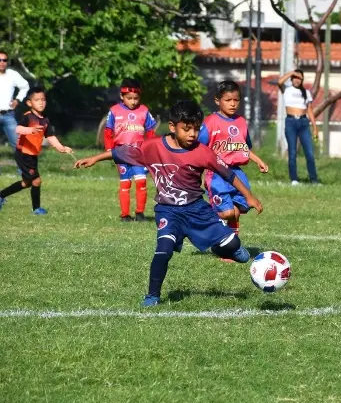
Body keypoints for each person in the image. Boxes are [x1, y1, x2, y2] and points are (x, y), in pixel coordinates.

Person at [74, 100, 264, 307]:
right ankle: (152, 295)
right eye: (187, 129)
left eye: (196, 129)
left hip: (197, 210)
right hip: (167, 210)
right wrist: (95, 158)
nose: (192, 134)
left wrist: (249, 196)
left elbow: (228, 174)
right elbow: (121, 152)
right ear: (173, 127)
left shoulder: (203, 152)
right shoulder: (152, 146)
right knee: (163, 250)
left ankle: (222, 248)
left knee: (233, 245)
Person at [198, 81, 268, 242]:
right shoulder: (210, 122)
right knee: (228, 212)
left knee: (237, 211)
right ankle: (204, 219)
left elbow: (243, 147)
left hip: (236, 173)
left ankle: (232, 247)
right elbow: (199, 149)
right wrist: (198, 173)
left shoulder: (241, 122)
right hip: (216, 174)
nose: (232, 104)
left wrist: (258, 160)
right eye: (228, 100)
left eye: (236, 100)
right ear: (218, 101)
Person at [0, 87, 73, 214]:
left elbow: (50, 136)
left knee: (26, 183)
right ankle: (36, 209)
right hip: (23, 154)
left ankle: (1, 195)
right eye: (37, 100)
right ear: (29, 103)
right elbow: (17, 129)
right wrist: (29, 130)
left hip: (32, 155)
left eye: (43, 100)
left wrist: (61, 147)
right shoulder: (28, 117)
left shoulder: (45, 120)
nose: (41, 102)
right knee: (36, 181)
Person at [103, 79, 157, 222]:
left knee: (141, 182)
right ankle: (125, 215)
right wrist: (109, 150)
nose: (133, 102)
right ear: (122, 96)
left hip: (139, 154)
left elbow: (151, 132)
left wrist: (151, 149)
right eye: (129, 98)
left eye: (136, 98)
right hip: (120, 153)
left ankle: (140, 213)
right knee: (125, 183)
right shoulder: (114, 111)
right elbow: (108, 132)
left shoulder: (144, 110)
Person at [278, 69, 319, 185]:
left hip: (303, 123)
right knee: (292, 152)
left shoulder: (306, 92)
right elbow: (280, 82)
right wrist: (291, 73)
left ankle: (314, 179)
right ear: (292, 79)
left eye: (299, 78)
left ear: (302, 80)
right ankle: (294, 179)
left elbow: (310, 110)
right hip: (291, 122)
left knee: (309, 153)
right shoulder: (286, 90)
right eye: (295, 78)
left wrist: (315, 127)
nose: (297, 80)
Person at [0, 49, 30, 149]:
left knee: (19, 146)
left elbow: (25, 86)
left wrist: (18, 100)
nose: (2, 63)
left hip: (8, 115)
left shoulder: (12, 74)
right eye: (0, 60)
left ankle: (25, 165)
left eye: (4, 60)